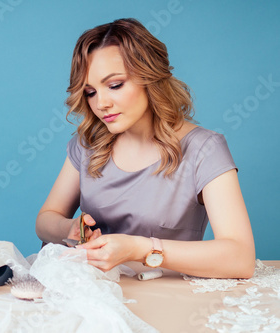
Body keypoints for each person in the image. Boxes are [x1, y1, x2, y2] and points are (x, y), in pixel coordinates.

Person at [35, 18, 255, 279]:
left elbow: (241, 258)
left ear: (150, 78)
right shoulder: (89, 144)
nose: (101, 103)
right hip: (96, 294)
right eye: (90, 92)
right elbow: (45, 220)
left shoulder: (203, 149)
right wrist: (69, 228)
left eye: (115, 85)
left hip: (167, 299)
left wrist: (138, 248)